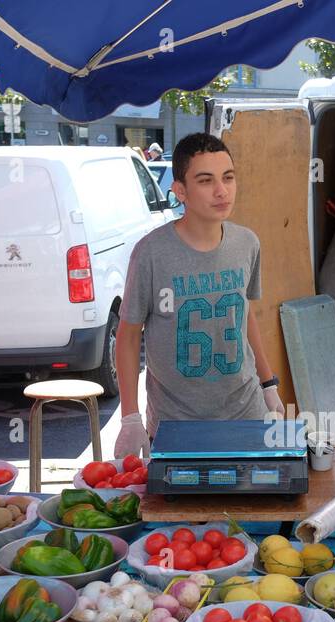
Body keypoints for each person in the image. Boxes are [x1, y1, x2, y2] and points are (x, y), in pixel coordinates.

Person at [113, 133, 283, 458]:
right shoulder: (150, 253)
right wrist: (129, 415)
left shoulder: (247, 243)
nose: (222, 191)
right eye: (206, 180)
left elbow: (245, 313)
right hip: (176, 424)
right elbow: (129, 335)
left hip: (246, 414)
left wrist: (268, 383)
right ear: (181, 191)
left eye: (228, 178)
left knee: (251, 505)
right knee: (184, 508)